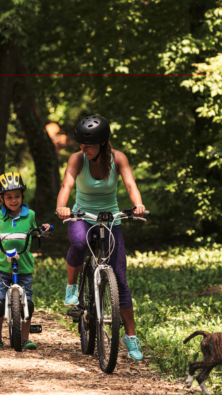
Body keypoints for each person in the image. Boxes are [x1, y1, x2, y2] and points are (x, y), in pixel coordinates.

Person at [55, 115, 146, 360]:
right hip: (82, 215)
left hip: (110, 219)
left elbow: (129, 185)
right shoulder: (77, 159)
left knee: (121, 279)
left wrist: (137, 204)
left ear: (103, 144)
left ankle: (130, 336)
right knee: (77, 242)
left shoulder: (118, 159)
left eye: (89, 146)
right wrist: (62, 207)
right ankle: (72, 287)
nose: (83, 150)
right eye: (81, 145)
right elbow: (66, 185)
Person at [0, 172, 50, 350]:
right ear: (1, 198)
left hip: (23, 266)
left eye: (17, 196)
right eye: (9, 197)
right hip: (3, 266)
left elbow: (37, 230)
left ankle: (25, 338)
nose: (14, 200)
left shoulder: (29, 214)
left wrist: (44, 229)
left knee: (28, 303)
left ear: (23, 195)